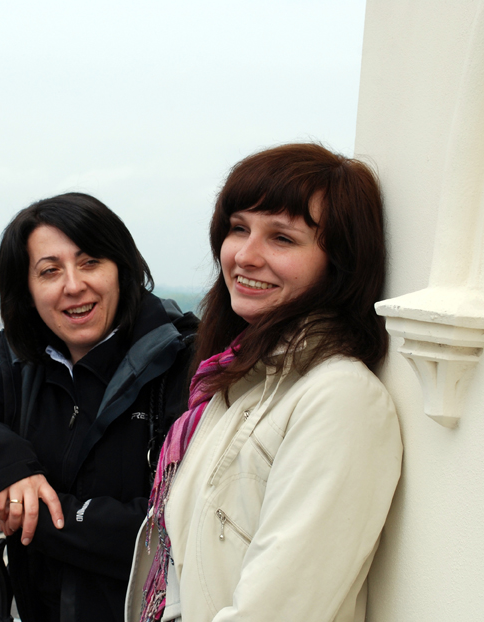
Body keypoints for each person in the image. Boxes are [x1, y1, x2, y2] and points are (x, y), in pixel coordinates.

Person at [126, 144, 403, 622]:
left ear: (340, 262)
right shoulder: (238, 382)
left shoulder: (340, 398)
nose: (245, 256)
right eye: (238, 229)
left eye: (282, 238)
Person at [0, 192, 198, 622]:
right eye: (50, 271)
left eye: (90, 262)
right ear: (27, 290)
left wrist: (34, 516)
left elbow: (179, 528)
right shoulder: (26, 374)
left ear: (122, 270)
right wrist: (7, 460)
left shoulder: (183, 366)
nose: (73, 286)